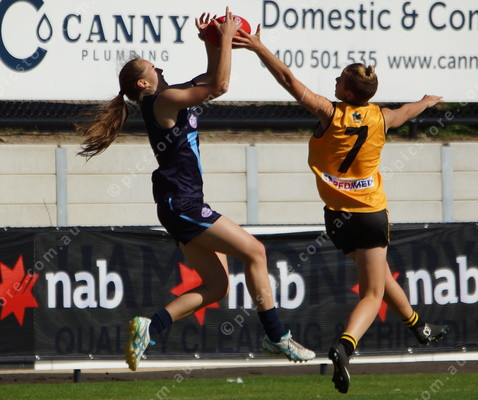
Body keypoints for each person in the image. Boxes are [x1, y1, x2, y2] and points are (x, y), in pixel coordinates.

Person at [76, 8, 315, 371]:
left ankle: (150, 327)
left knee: (217, 286)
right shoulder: (161, 102)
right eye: (151, 67)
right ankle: (276, 336)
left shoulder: (169, 96)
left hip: (180, 202)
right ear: (142, 84)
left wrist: (211, 42)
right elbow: (220, 86)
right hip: (181, 202)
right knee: (255, 251)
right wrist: (228, 37)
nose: (158, 66)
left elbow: (209, 78)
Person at [235, 27, 449, 394]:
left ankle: (419, 327)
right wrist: (427, 102)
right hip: (371, 215)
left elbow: (288, 79)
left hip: (337, 218)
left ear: (348, 93)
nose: (335, 80)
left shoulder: (329, 113)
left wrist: (258, 47)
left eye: (339, 79)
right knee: (372, 294)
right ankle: (345, 348)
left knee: (380, 277)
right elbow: (407, 111)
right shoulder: (382, 118)